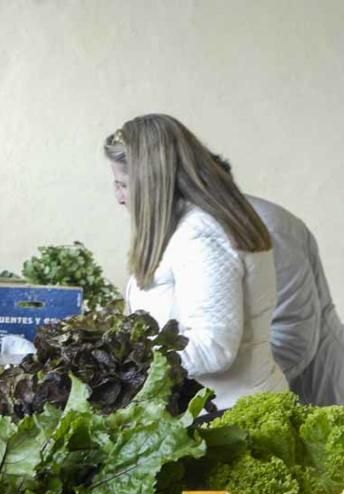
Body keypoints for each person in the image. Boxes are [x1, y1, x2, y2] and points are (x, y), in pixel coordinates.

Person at [103, 114, 288, 409]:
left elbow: (213, 347)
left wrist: (123, 364)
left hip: (228, 411)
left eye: (123, 184)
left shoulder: (201, 236)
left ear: (152, 182)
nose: (120, 198)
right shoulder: (192, 227)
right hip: (223, 404)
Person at [211, 156, 344, 406]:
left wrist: (239, 394)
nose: (121, 198)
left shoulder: (264, 226)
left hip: (315, 386)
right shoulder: (202, 227)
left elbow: (293, 332)